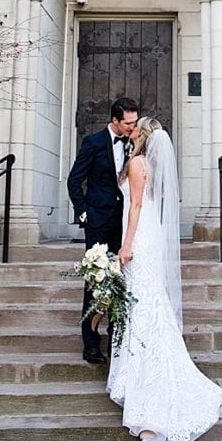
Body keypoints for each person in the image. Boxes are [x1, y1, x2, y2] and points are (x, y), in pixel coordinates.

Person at [107, 117, 222, 441]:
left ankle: (148, 385)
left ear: (142, 136)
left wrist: (126, 245)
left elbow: (134, 205)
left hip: (139, 236)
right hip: (150, 235)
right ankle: (150, 370)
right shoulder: (149, 164)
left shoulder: (136, 162)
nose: (130, 131)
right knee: (148, 302)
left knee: (143, 302)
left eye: (135, 129)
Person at [67, 96, 139, 363]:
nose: (133, 127)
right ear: (115, 121)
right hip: (98, 222)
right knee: (96, 281)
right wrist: (84, 213)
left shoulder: (134, 142)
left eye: (134, 122)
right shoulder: (94, 142)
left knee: (121, 280)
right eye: (128, 123)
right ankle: (91, 343)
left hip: (123, 224)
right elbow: (75, 180)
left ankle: (118, 338)